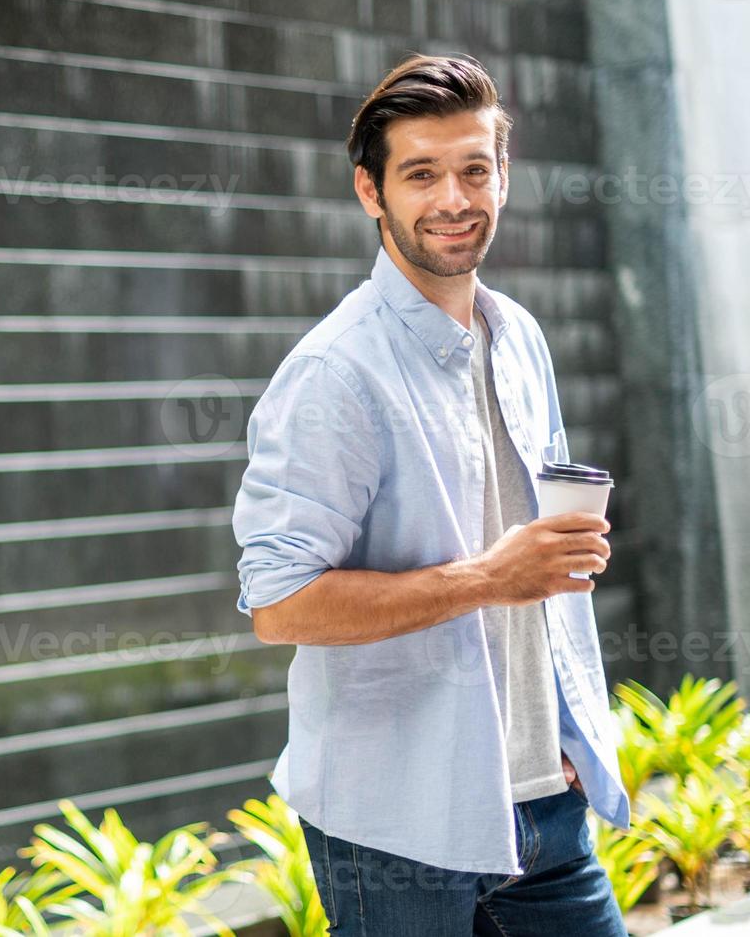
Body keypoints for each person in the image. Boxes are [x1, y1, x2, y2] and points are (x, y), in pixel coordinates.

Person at [231, 53, 632, 936]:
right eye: (420, 174)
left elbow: (535, 559)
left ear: (501, 177)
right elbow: (280, 604)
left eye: (473, 169)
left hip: (544, 802)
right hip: (400, 830)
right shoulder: (334, 374)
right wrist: (491, 578)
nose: (453, 198)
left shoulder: (517, 334)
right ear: (370, 193)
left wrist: (565, 725)